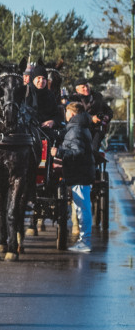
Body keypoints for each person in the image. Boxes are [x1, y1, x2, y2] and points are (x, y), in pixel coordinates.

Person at [51, 102, 94, 252]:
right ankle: (85, 240)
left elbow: (77, 152)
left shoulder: (75, 129)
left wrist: (58, 152)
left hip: (79, 172)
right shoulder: (80, 126)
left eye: (67, 112)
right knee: (83, 207)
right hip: (82, 171)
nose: (65, 114)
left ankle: (85, 242)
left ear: (72, 113)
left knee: (83, 208)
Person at [72, 79, 112, 153]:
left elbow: (109, 110)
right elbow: (73, 117)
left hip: (96, 129)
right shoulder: (73, 99)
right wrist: (91, 118)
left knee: (93, 151)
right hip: (79, 130)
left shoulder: (97, 97)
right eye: (83, 87)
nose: (86, 89)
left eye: (87, 86)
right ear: (77, 90)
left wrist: (107, 116)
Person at [26, 65, 62, 131]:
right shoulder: (26, 93)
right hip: (28, 131)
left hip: (47, 131)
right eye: (38, 78)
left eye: (44, 78)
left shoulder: (50, 95)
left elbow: (57, 115)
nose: (41, 81)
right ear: (33, 79)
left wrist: (52, 122)